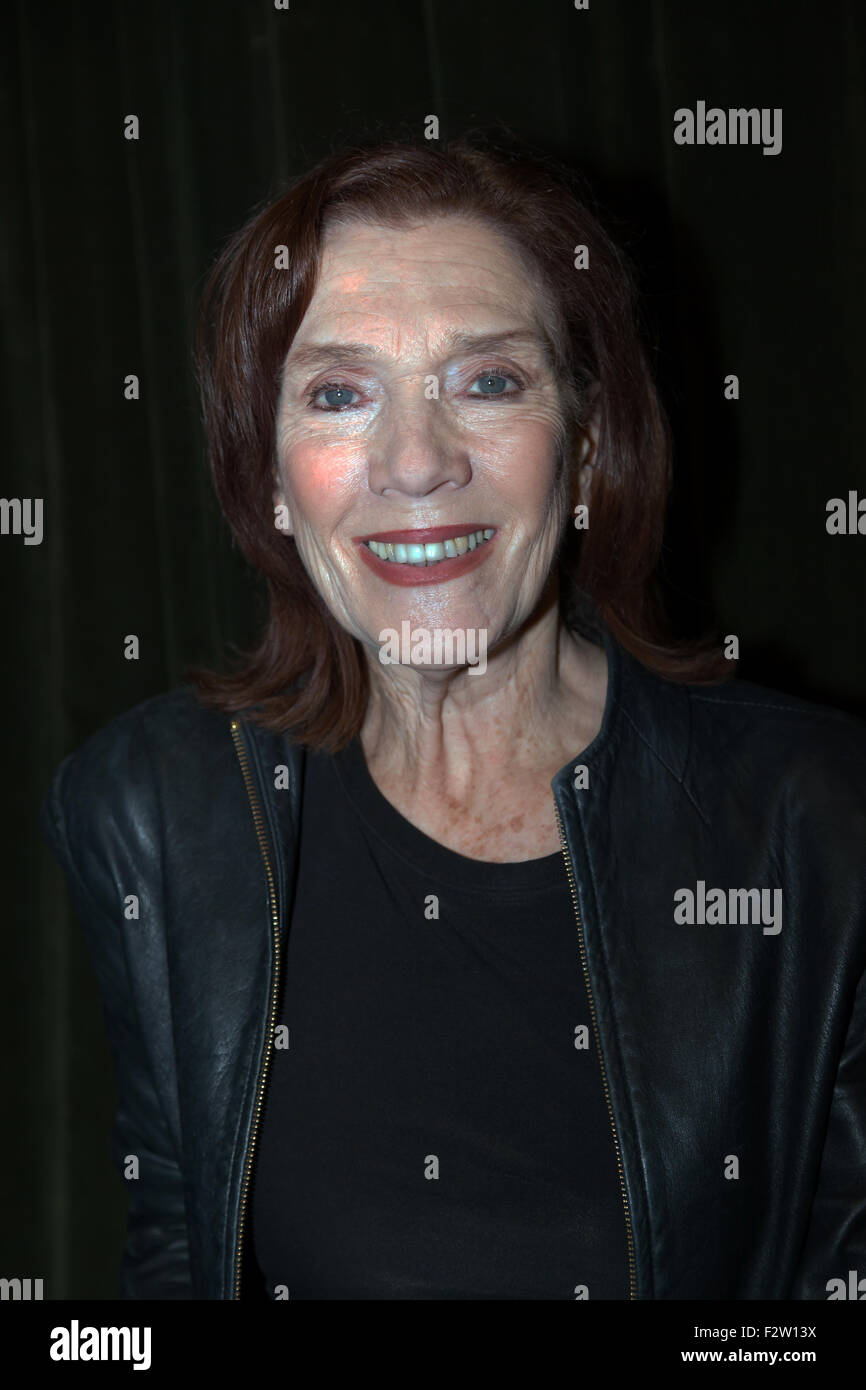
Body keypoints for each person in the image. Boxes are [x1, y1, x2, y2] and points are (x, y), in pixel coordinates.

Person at [41, 136, 866, 1301]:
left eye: (486, 382)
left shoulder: (822, 825)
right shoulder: (157, 811)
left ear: (584, 448)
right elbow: (178, 1257)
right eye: (338, 395)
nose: (416, 461)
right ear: (270, 479)